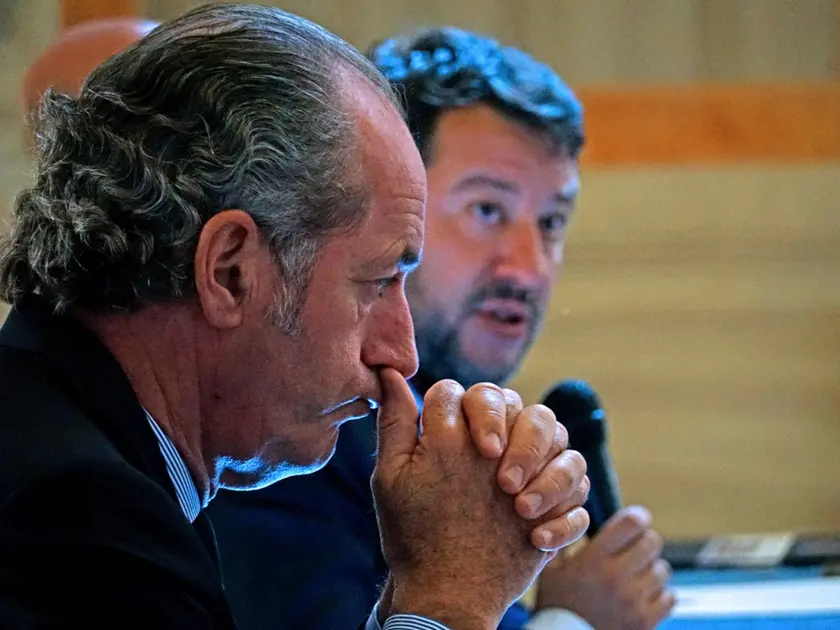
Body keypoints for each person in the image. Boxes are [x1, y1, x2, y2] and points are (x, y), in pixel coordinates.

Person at [0, 6, 593, 630]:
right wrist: (453, 597)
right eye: (378, 283)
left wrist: (416, 595)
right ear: (230, 271)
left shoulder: (77, 440)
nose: (401, 352)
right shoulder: (75, 512)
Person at [209, 26, 676, 630]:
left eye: (552, 222)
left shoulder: (456, 436)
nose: (529, 269)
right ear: (387, 203)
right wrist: (572, 621)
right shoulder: (301, 429)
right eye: (488, 210)